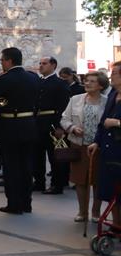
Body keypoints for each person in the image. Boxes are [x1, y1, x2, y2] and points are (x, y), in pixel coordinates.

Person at [0, 48, 39, 214]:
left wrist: (3, 106)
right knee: (26, 165)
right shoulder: (33, 78)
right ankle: (26, 202)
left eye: (2, 60)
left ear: (9, 61)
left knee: (11, 166)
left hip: (9, 125)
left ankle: (14, 203)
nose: (1, 63)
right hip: (29, 123)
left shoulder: (1, 80)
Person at [60, 70, 108, 222]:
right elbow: (64, 119)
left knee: (98, 181)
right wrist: (73, 128)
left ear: (101, 85)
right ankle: (82, 212)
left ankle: (96, 212)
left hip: (99, 147)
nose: (87, 83)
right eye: (86, 80)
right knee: (80, 180)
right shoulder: (76, 99)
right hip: (79, 145)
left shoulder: (107, 101)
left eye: (92, 81)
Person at [89, 62, 121, 228]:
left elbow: (110, 121)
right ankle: (116, 225)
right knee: (110, 191)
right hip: (108, 151)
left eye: (114, 73)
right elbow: (103, 122)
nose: (111, 76)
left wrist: (117, 123)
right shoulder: (113, 95)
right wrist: (97, 141)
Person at [33, 56, 72, 195]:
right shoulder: (38, 82)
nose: (41, 66)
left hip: (52, 123)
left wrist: (60, 126)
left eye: (44, 63)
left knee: (54, 156)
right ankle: (39, 182)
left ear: (53, 65)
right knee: (37, 155)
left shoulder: (60, 84)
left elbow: (64, 106)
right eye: (40, 63)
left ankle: (57, 184)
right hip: (38, 122)